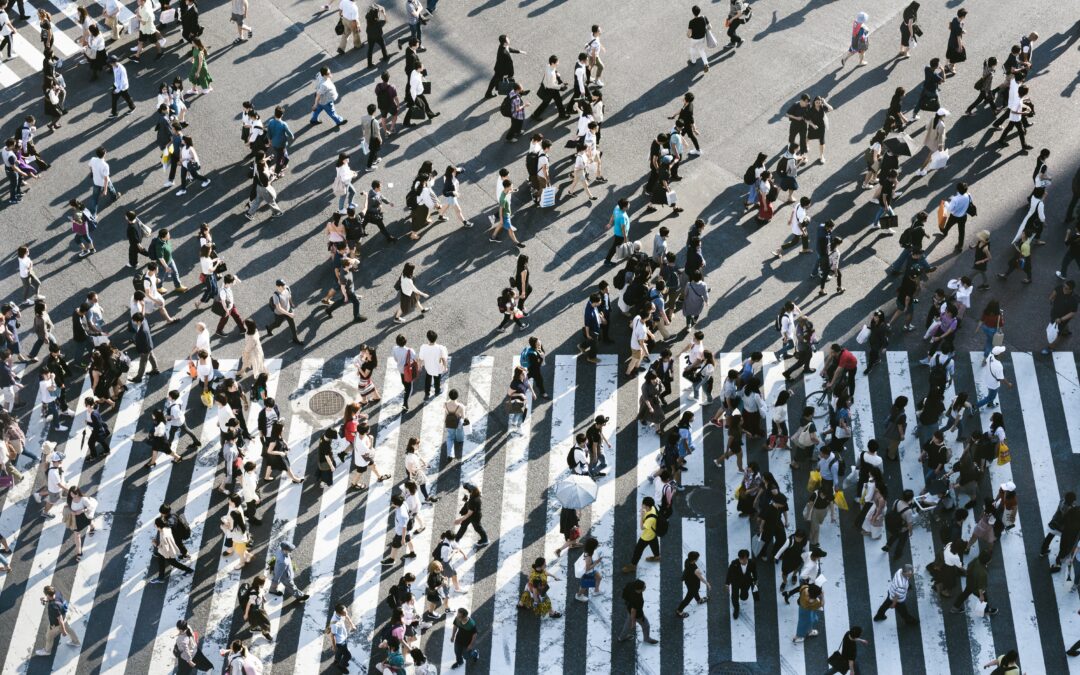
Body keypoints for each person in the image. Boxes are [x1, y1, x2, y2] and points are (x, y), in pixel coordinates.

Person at [32, 585, 80, 656]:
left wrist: (63, 631)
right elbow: (56, 600)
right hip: (64, 617)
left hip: (56, 624)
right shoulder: (57, 593)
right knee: (69, 629)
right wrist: (46, 599)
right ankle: (76, 642)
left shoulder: (53, 607)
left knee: (49, 637)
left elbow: (59, 619)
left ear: (48, 595)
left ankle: (47, 651)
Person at [618, 579, 658, 644]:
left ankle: (621, 637)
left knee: (628, 624)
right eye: (644, 587)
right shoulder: (637, 599)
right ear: (639, 589)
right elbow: (633, 611)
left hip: (629, 607)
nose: (645, 587)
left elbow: (624, 593)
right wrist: (634, 622)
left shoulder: (630, 584)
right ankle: (647, 639)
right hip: (637, 614)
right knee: (646, 625)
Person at [1044, 280, 1078, 355]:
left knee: (1056, 332)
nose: (1063, 289)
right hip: (1054, 314)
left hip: (1061, 318)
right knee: (1061, 328)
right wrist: (1051, 298)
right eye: (1064, 287)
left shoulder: (1073, 299)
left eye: (1066, 288)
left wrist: (1061, 319)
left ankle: (1050, 348)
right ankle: (1065, 331)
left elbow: (1072, 313)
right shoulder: (1060, 288)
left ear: (1071, 290)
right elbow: (1054, 292)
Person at [675, 550, 710, 618]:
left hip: (688, 581)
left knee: (695, 592)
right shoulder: (696, 570)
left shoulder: (687, 561)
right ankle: (679, 611)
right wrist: (707, 584)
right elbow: (701, 578)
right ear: (694, 560)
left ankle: (699, 600)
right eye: (697, 558)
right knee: (688, 598)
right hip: (694, 583)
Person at [329, 603, 355, 672]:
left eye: (346, 610)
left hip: (343, 637)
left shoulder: (339, 613)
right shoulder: (335, 624)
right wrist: (334, 647)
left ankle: (337, 660)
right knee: (348, 656)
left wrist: (352, 624)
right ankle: (341, 666)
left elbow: (346, 616)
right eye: (344, 612)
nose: (346, 612)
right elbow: (332, 636)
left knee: (340, 652)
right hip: (340, 642)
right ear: (339, 613)